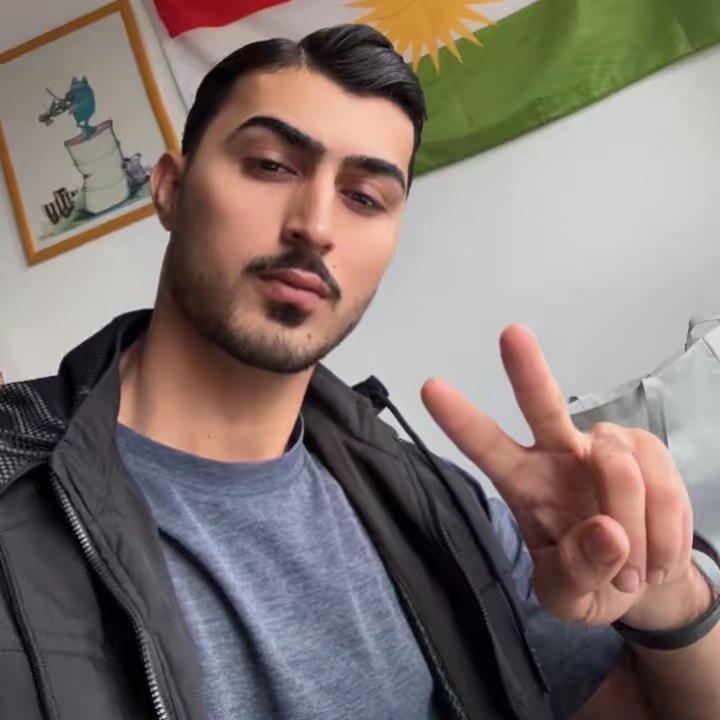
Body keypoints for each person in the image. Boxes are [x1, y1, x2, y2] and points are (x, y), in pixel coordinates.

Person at [0, 25, 718, 720]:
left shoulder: (446, 507)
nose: (316, 225)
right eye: (272, 165)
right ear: (169, 187)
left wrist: (662, 590)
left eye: (365, 198)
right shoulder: (16, 492)